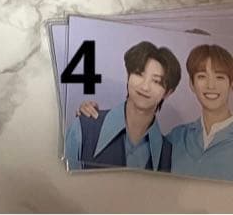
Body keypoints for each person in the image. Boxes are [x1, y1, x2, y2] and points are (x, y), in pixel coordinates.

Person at [64, 41, 179, 170]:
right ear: (128, 75)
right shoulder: (84, 128)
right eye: (139, 74)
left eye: (156, 81)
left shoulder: (169, 154)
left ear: (168, 92)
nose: (145, 87)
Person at [165, 44, 233, 181]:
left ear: (231, 84)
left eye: (219, 77)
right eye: (202, 76)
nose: (211, 85)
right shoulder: (177, 138)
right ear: (192, 84)